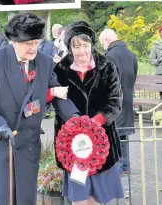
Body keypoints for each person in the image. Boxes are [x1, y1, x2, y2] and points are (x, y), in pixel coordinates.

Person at [0, 12, 79, 205]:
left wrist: (77, 120)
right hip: (0, 142)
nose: (33, 48)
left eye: (36, 42)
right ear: (14, 41)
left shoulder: (45, 62)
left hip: (28, 144)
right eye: (28, 43)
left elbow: (56, 93)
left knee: (25, 198)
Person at [52, 21, 124, 205]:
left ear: (92, 44)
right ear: (69, 47)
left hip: (103, 145)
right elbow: (58, 100)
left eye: (86, 45)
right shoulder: (60, 70)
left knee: (99, 199)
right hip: (73, 148)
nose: (82, 51)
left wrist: (95, 123)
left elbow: (115, 102)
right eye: (76, 46)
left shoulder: (107, 66)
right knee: (79, 199)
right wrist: (77, 124)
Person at [99, 28, 138, 175]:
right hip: (127, 97)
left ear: (107, 40)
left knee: (114, 132)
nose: (103, 46)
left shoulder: (110, 56)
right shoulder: (132, 55)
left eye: (103, 43)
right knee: (123, 133)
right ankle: (125, 165)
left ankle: (119, 166)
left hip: (113, 100)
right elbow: (134, 76)